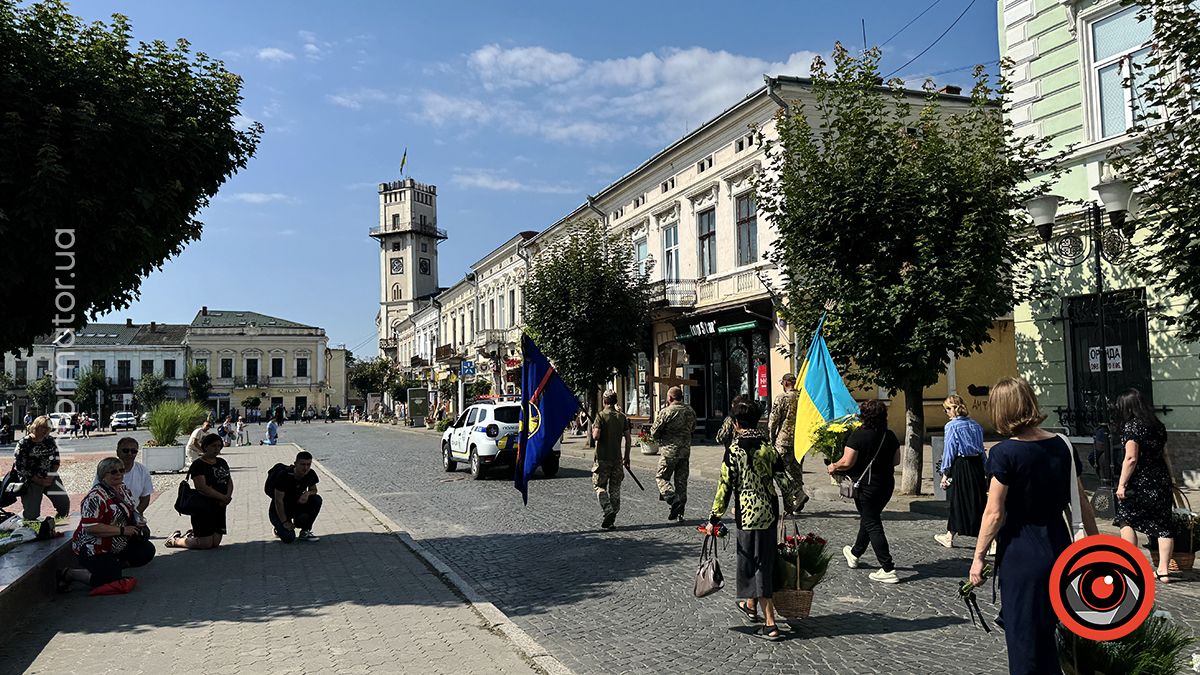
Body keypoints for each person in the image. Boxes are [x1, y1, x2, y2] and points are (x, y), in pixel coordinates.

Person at [971, 377, 1099, 675]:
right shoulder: (1063, 445)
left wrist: (978, 557)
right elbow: (1080, 502)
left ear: (1000, 410)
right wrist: (1096, 548)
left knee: (1025, 643)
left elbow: (994, 513)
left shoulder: (1004, 453)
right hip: (1060, 548)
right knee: (1054, 637)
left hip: (1021, 556)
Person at [708, 399, 795, 641]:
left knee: (753, 564)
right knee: (764, 559)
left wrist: (714, 517)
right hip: (769, 512)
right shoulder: (768, 448)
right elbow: (785, 481)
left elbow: (724, 487)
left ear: (736, 423)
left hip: (747, 514)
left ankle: (770, 623)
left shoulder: (734, 450)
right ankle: (750, 605)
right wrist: (790, 504)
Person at [827, 399, 902, 584]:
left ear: (864, 416)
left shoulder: (858, 435)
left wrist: (834, 466)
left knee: (872, 523)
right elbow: (896, 461)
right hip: (886, 485)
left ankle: (888, 568)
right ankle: (855, 553)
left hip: (866, 487)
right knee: (869, 518)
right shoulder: (889, 435)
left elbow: (847, 462)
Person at [59, 457, 154, 594]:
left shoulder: (123, 489)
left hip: (117, 542)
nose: (119, 474)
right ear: (103, 475)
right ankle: (70, 574)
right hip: (93, 546)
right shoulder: (95, 497)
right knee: (110, 578)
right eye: (113, 472)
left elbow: (131, 510)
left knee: (146, 551)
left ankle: (113, 566)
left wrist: (137, 521)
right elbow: (90, 527)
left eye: (121, 470)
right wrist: (123, 530)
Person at [1113, 388, 1176, 583]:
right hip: (1161, 479)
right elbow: (1165, 454)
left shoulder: (1132, 427)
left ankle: (1130, 565)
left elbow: (1131, 458)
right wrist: (1172, 478)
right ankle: (1163, 570)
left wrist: (1121, 484)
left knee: (1126, 520)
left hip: (1139, 482)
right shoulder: (1158, 425)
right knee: (1163, 525)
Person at [934, 395, 988, 549]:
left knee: (958, 501)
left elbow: (949, 451)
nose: (946, 413)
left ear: (951, 409)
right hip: (976, 465)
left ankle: (949, 537)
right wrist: (986, 468)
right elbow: (981, 450)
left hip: (962, 465)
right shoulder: (976, 425)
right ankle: (991, 541)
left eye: (946, 410)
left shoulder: (952, 426)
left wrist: (945, 473)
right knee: (979, 501)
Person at [166, 433, 233, 550]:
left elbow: (229, 481)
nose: (216, 449)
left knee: (215, 543)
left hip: (220, 505)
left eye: (219, 446)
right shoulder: (198, 464)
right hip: (204, 505)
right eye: (213, 446)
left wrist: (227, 496)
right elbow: (201, 487)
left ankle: (193, 534)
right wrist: (223, 497)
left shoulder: (222, 462)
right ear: (205, 446)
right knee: (205, 544)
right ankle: (175, 540)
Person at [650, 386, 697, 522]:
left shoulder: (666, 412)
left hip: (669, 452)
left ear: (670, 398)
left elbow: (654, 431)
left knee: (661, 478)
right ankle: (680, 513)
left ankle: (672, 498)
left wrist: (661, 437)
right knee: (681, 482)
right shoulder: (690, 411)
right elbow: (693, 428)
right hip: (685, 451)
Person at [13, 416, 70, 521]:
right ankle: (23, 520)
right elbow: (20, 466)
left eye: (48, 428)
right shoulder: (24, 443)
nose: (45, 431)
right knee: (31, 515)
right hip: (31, 479)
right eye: (43, 427)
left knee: (64, 504)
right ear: (36, 427)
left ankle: (56, 523)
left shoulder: (49, 440)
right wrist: (37, 480)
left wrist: (51, 476)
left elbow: (56, 461)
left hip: (49, 476)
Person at [591, 390, 631, 530]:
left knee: (599, 486)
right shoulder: (622, 417)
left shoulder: (600, 416)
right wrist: (627, 457)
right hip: (617, 458)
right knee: (615, 489)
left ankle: (608, 510)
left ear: (604, 401)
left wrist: (594, 429)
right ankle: (612, 518)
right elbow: (628, 438)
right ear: (615, 401)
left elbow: (596, 436)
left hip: (602, 458)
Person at [768, 373, 807, 513]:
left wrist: (771, 439)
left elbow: (773, 420)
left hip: (783, 439)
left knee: (780, 470)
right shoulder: (802, 397)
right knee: (796, 470)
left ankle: (797, 493)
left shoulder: (782, 398)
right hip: (799, 440)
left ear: (785, 383)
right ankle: (797, 500)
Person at [269, 451, 322, 543]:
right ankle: (278, 528)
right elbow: (278, 501)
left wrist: (307, 493)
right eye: (302, 464)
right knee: (289, 538)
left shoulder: (310, 474)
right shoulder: (284, 476)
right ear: (295, 464)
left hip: (296, 507)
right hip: (279, 510)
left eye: (308, 464)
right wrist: (285, 522)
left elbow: (314, 489)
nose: (305, 468)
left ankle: (305, 531)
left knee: (316, 499)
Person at [110, 437, 153, 514]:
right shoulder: (106, 469)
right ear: (117, 452)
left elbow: (145, 499)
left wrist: (134, 516)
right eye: (125, 450)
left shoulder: (143, 471)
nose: (129, 454)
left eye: (133, 451)